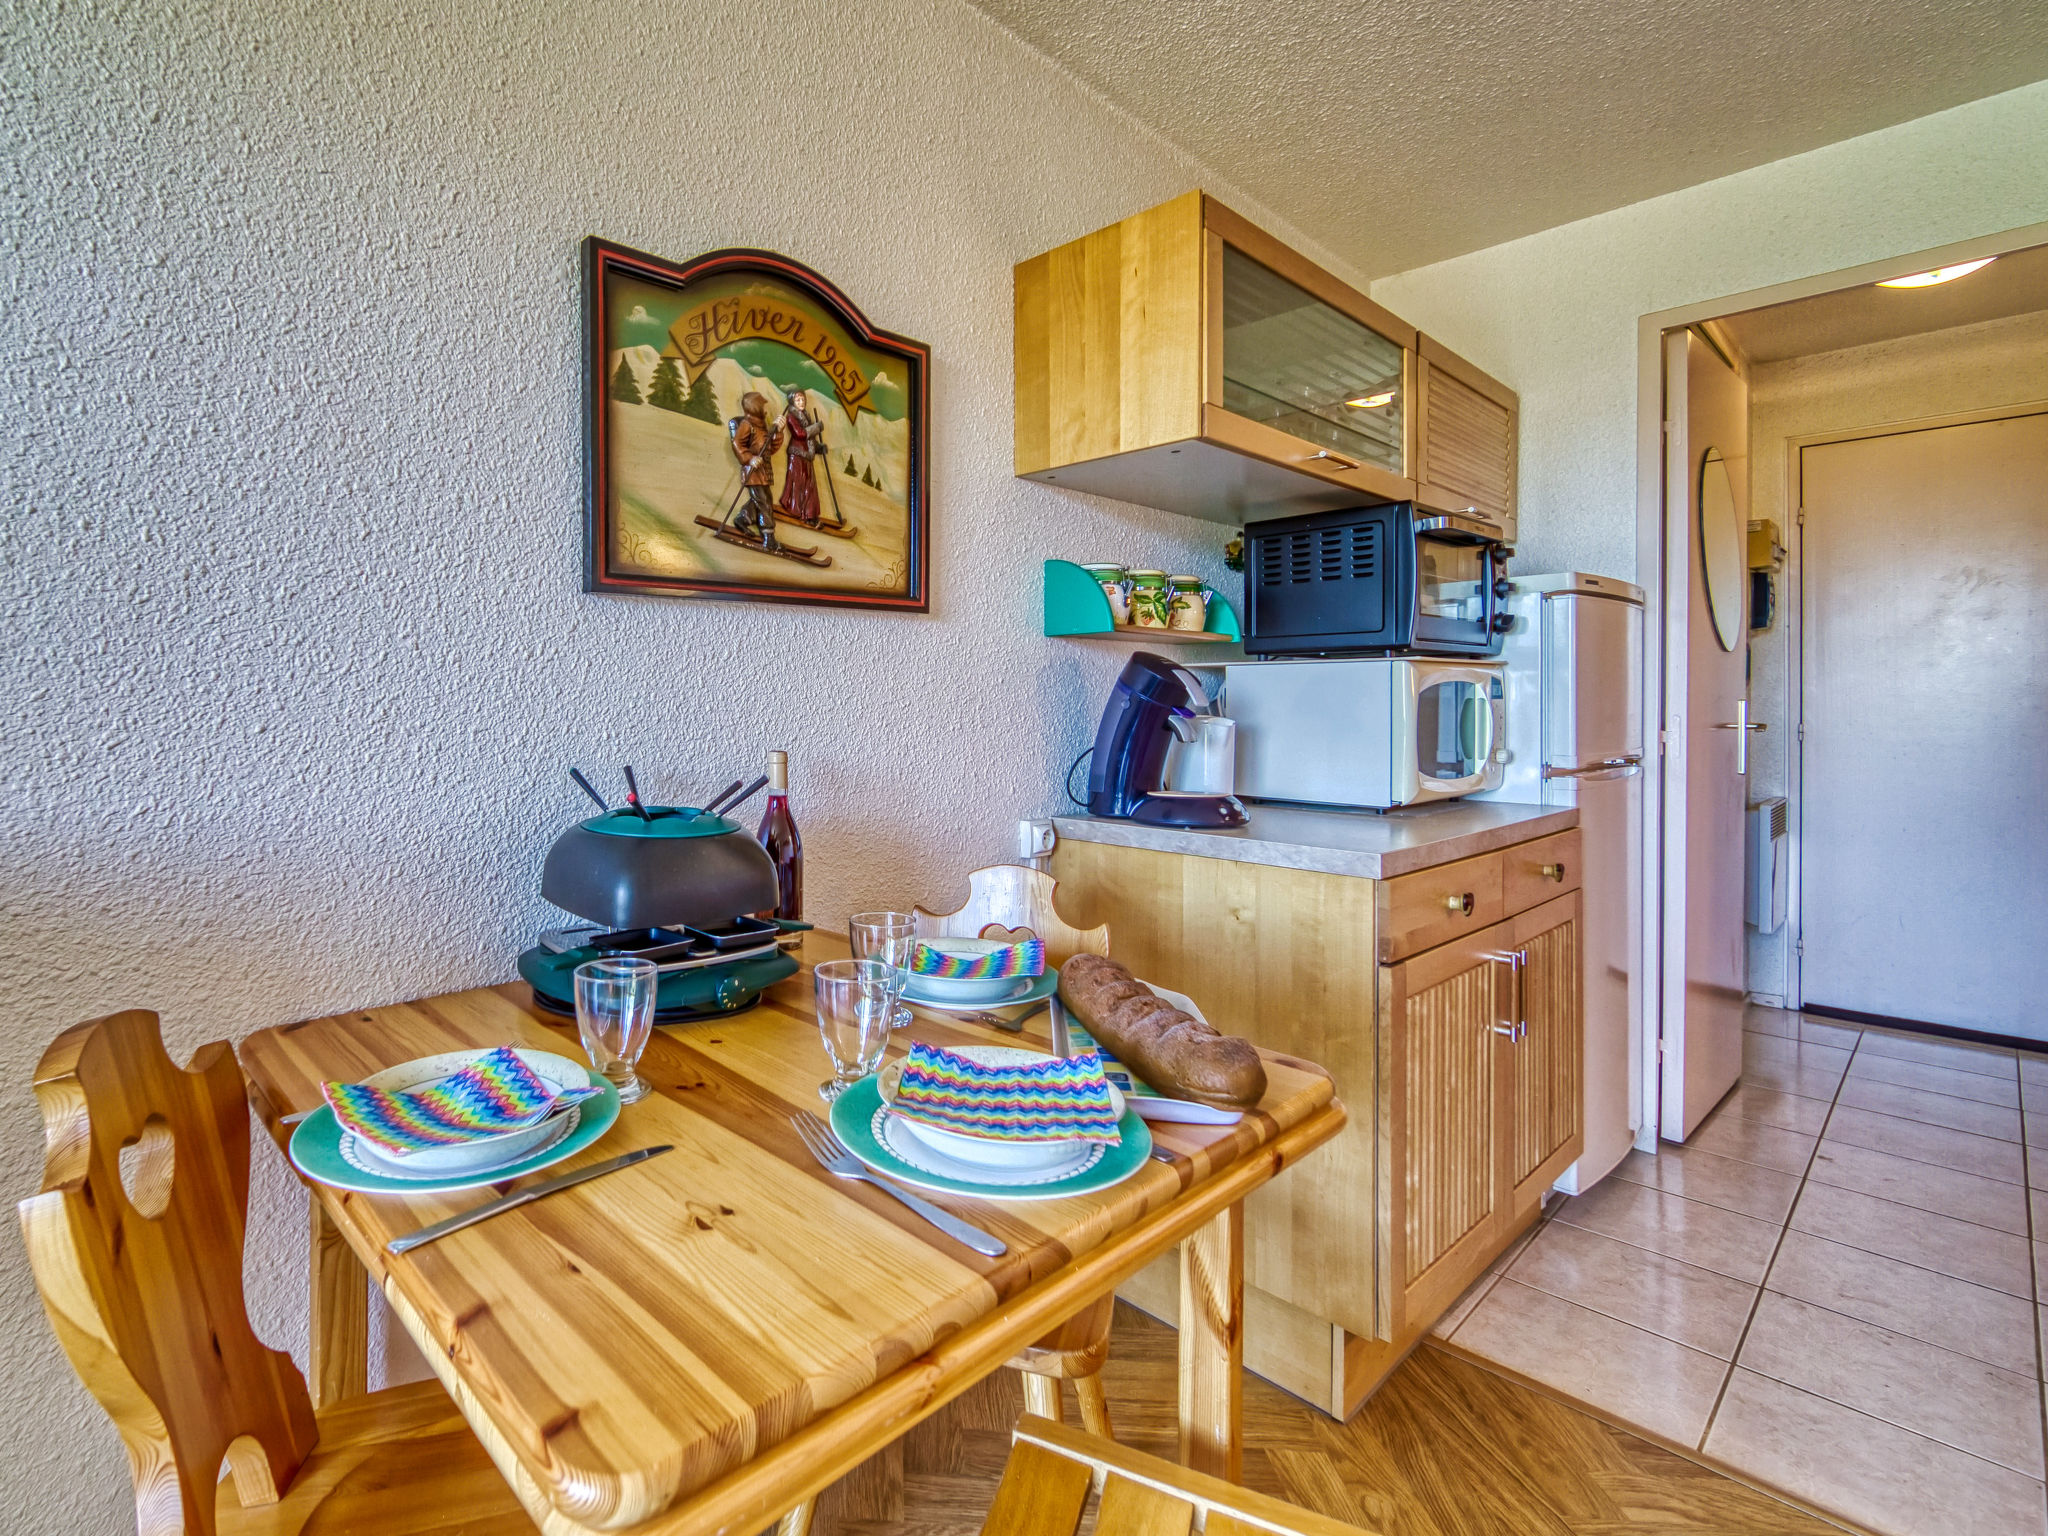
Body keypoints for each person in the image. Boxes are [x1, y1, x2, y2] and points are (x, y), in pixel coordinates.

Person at [729, 392, 784, 549]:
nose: (765, 408)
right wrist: (749, 458)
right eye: (763, 405)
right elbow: (737, 444)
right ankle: (769, 538)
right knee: (764, 502)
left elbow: (770, 448)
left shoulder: (762, 425)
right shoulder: (747, 424)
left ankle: (743, 519)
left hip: (763, 471)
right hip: (753, 472)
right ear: (755, 407)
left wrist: (778, 432)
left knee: (760, 499)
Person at [776, 388, 825, 527]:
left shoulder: (806, 416)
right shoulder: (791, 417)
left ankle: (810, 514)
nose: (801, 402)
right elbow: (800, 434)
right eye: (798, 399)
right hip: (797, 454)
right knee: (798, 483)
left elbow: (809, 439)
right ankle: (794, 509)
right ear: (793, 401)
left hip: (807, 456)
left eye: (803, 399)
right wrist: (816, 428)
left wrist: (818, 448)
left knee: (810, 485)